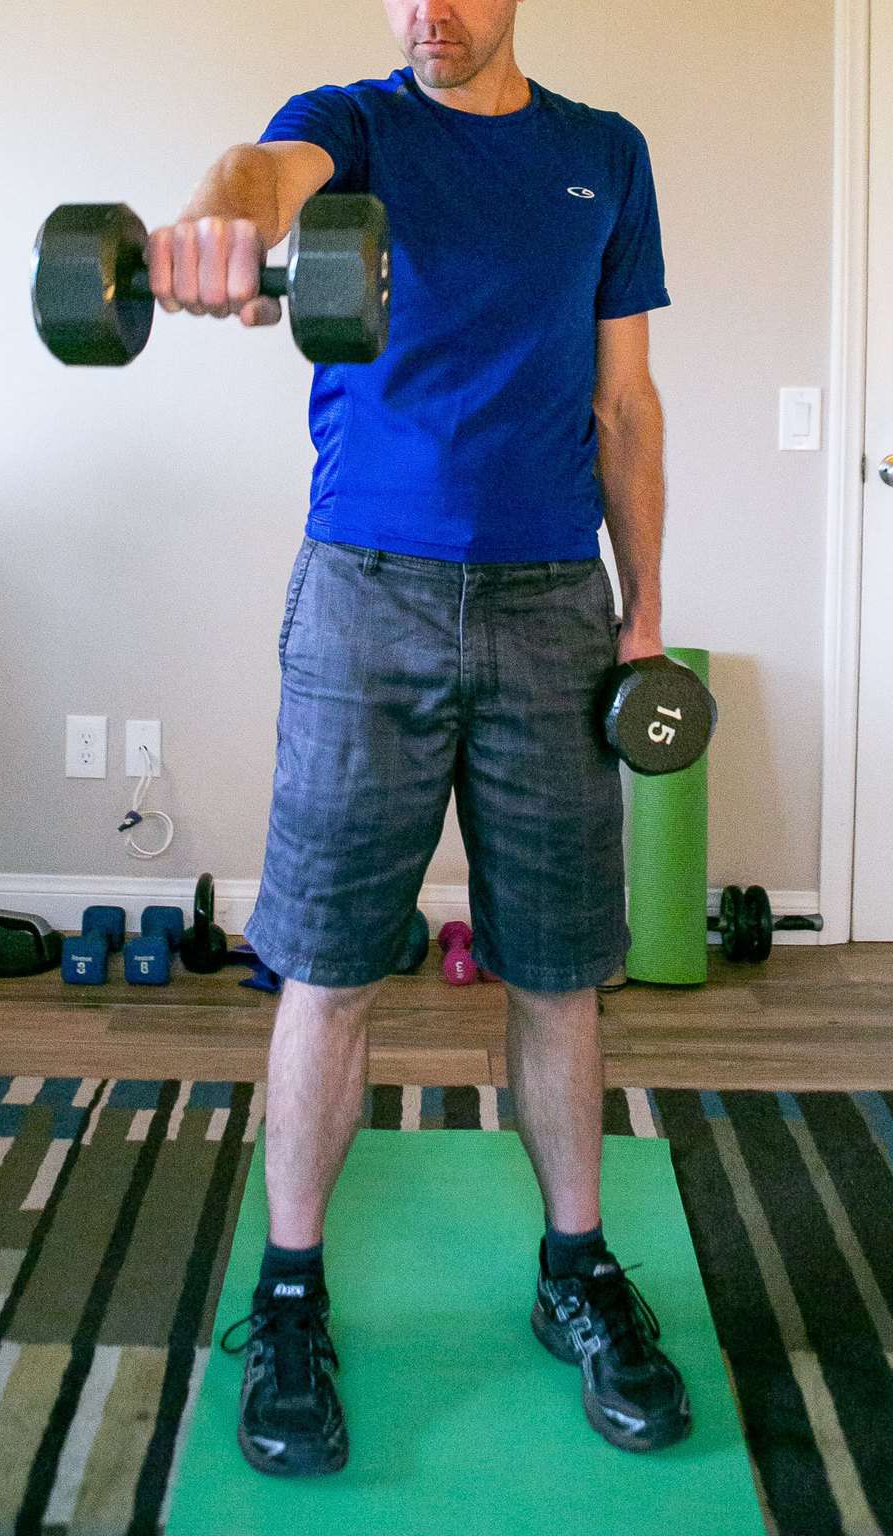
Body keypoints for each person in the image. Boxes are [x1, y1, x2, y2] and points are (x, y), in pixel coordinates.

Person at [146, 0, 691, 1479]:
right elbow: (264, 177)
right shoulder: (357, 121)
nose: (423, 13)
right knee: (325, 964)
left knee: (564, 966)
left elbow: (625, 402)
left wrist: (644, 618)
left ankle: (575, 1268)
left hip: (551, 604)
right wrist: (209, 219)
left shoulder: (604, 156)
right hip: (363, 598)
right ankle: (291, 1293)